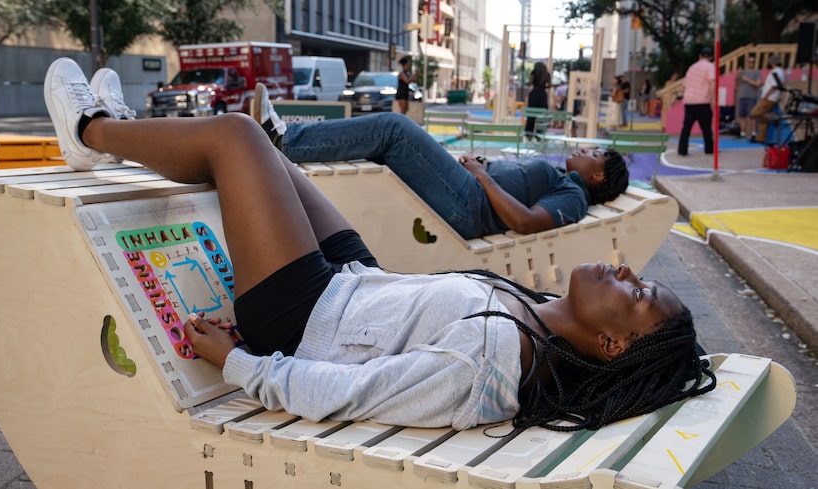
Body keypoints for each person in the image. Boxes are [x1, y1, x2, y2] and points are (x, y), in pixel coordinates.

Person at [43, 57, 716, 432]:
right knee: (277, 164)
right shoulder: (535, 321)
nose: (629, 272)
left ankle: (92, 128)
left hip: (304, 318)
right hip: (354, 286)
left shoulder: (487, 367)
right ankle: (129, 132)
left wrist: (247, 365)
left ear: (612, 344)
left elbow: (361, 391)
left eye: (638, 293)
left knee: (238, 141)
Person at [259, 109, 629, 239]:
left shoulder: (575, 197)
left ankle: (285, 140)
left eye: (594, 153)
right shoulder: (563, 179)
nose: (584, 149)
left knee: (395, 130)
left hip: (467, 204)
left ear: (599, 177)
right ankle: (285, 147)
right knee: (389, 143)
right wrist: (485, 169)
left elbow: (526, 222)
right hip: (468, 188)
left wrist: (481, 177)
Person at [678, 47, 716, 156]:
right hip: (702, 100)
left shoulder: (692, 67)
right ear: (711, 57)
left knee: (686, 127)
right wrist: (713, 99)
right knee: (706, 128)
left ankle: (682, 150)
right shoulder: (710, 66)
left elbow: (685, 84)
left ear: (699, 56)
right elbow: (711, 83)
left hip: (689, 100)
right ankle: (709, 149)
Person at [750, 54, 787, 145]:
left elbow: (775, 85)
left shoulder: (776, 72)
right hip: (771, 97)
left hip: (769, 98)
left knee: (754, 114)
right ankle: (760, 138)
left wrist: (766, 95)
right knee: (762, 120)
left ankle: (773, 117)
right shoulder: (779, 71)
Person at [735, 55, 762, 139]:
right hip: (742, 96)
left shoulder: (757, 72)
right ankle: (742, 133)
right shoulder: (743, 72)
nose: (751, 63)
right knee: (742, 116)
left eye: (753, 62)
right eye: (749, 62)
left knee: (752, 116)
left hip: (751, 97)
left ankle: (753, 133)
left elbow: (758, 84)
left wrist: (747, 79)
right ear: (747, 63)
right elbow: (738, 83)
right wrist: (738, 76)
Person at [524, 62, 550, 135]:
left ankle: (529, 132)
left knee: (531, 114)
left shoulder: (534, 72)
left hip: (534, 93)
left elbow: (530, 82)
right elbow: (549, 85)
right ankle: (540, 132)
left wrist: (527, 83)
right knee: (542, 114)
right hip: (543, 94)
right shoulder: (547, 74)